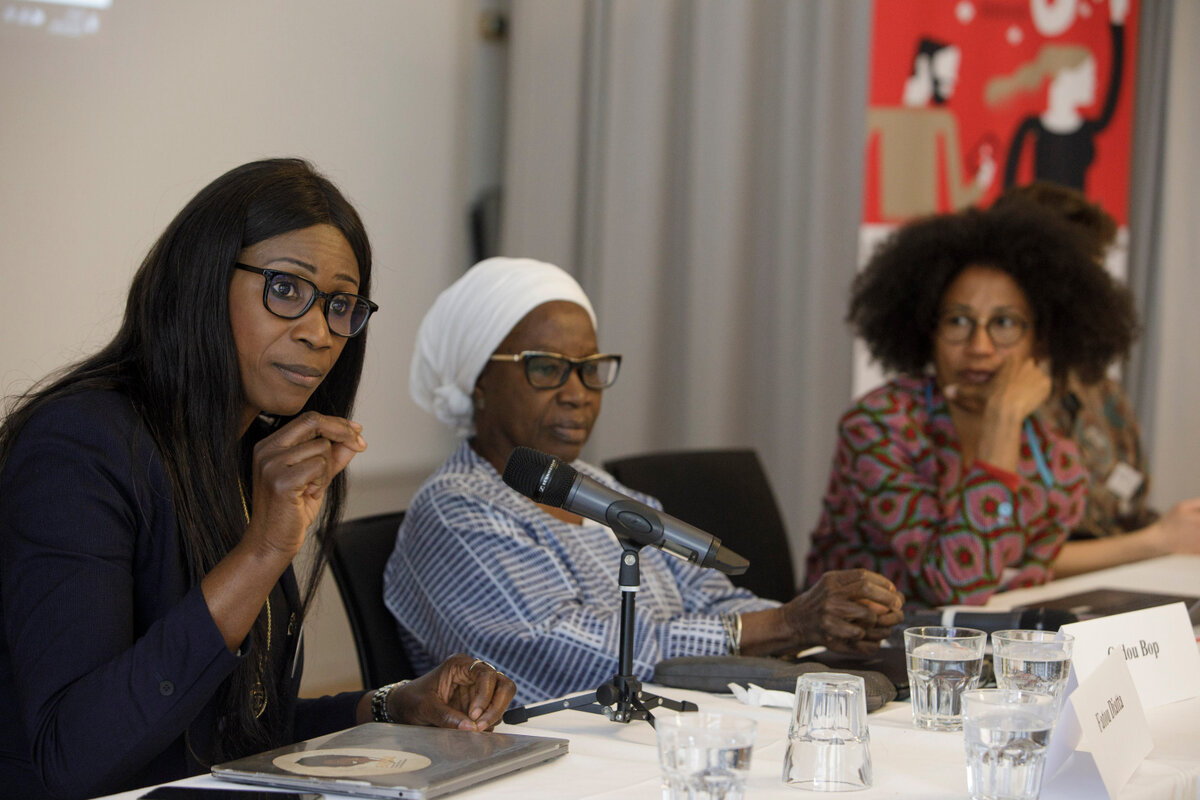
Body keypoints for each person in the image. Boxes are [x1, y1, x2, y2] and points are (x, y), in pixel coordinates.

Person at [0, 159, 514, 800]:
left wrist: (391, 706)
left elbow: (235, 734)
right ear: (202, 281)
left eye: (340, 305)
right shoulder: (79, 445)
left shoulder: (249, 453)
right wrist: (264, 551)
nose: (320, 332)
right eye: (285, 288)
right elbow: (75, 755)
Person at [383, 257, 904, 707]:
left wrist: (829, 622)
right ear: (477, 381)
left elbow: (710, 598)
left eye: (591, 369)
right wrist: (788, 626)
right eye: (547, 368)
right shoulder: (455, 509)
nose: (578, 393)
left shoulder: (596, 487)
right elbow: (568, 656)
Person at [804, 205, 1139, 607]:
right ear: (928, 330)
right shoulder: (878, 427)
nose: (979, 348)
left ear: (1042, 340)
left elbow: (1024, 578)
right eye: (958, 322)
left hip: (985, 650)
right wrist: (1003, 420)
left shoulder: (1055, 457)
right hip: (859, 653)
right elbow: (958, 585)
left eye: (1004, 323)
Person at [992, 182, 1200, 572]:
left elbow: (1127, 511)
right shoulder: (981, 395)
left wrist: (1179, 530)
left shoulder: (1098, 389)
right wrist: (1158, 541)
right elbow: (1002, 557)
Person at [985, 0, 1128, 191]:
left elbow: (1112, 95)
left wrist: (1117, 23)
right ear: (1064, 79)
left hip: (1077, 219)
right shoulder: (1031, 128)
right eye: (1089, 77)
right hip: (1038, 220)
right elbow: (1009, 185)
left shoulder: (1085, 128)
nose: (1094, 83)